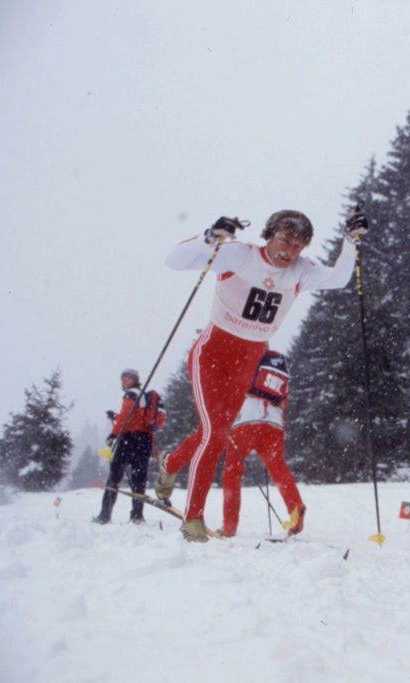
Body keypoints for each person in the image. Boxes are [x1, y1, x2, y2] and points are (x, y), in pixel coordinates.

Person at [155, 208, 367, 542]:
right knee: (214, 434)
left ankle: (169, 465)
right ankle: (193, 518)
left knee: (214, 432)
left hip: (247, 362)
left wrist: (350, 241)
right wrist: (208, 237)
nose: (289, 250)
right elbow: (174, 260)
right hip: (211, 355)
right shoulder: (239, 255)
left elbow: (339, 278)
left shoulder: (301, 271)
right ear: (269, 235)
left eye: (298, 245)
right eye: (284, 240)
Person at [218, 349, 305, 538]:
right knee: (278, 468)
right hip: (274, 422)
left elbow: (232, 389)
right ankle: (295, 507)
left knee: (232, 472)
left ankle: (229, 526)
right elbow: (284, 398)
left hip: (246, 420)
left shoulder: (245, 358)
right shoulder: (279, 363)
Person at [93, 369, 166, 524]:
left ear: (135, 380)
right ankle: (137, 516)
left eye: (128, 378)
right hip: (144, 441)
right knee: (139, 479)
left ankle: (104, 515)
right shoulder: (143, 396)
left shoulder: (131, 394)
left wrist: (113, 434)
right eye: (123, 378)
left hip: (129, 440)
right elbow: (134, 417)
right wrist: (116, 416)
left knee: (114, 477)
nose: (124, 381)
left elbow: (126, 417)